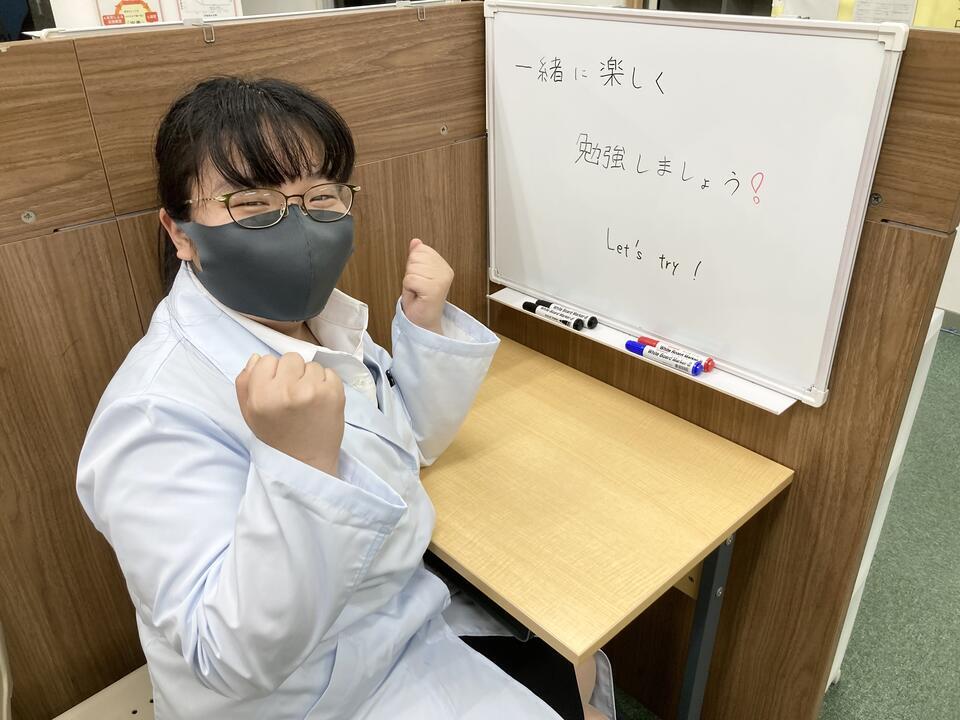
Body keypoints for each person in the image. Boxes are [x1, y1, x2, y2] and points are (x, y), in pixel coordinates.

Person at [77, 76, 614, 720]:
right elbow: (226, 659)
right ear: (180, 232)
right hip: (316, 695)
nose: (299, 227)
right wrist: (299, 468)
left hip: (394, 618)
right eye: (253, 202)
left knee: (585, 665)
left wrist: (424, 328)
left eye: (321, 196)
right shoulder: (152, 412)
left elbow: (404, 446)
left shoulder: (316, 325)